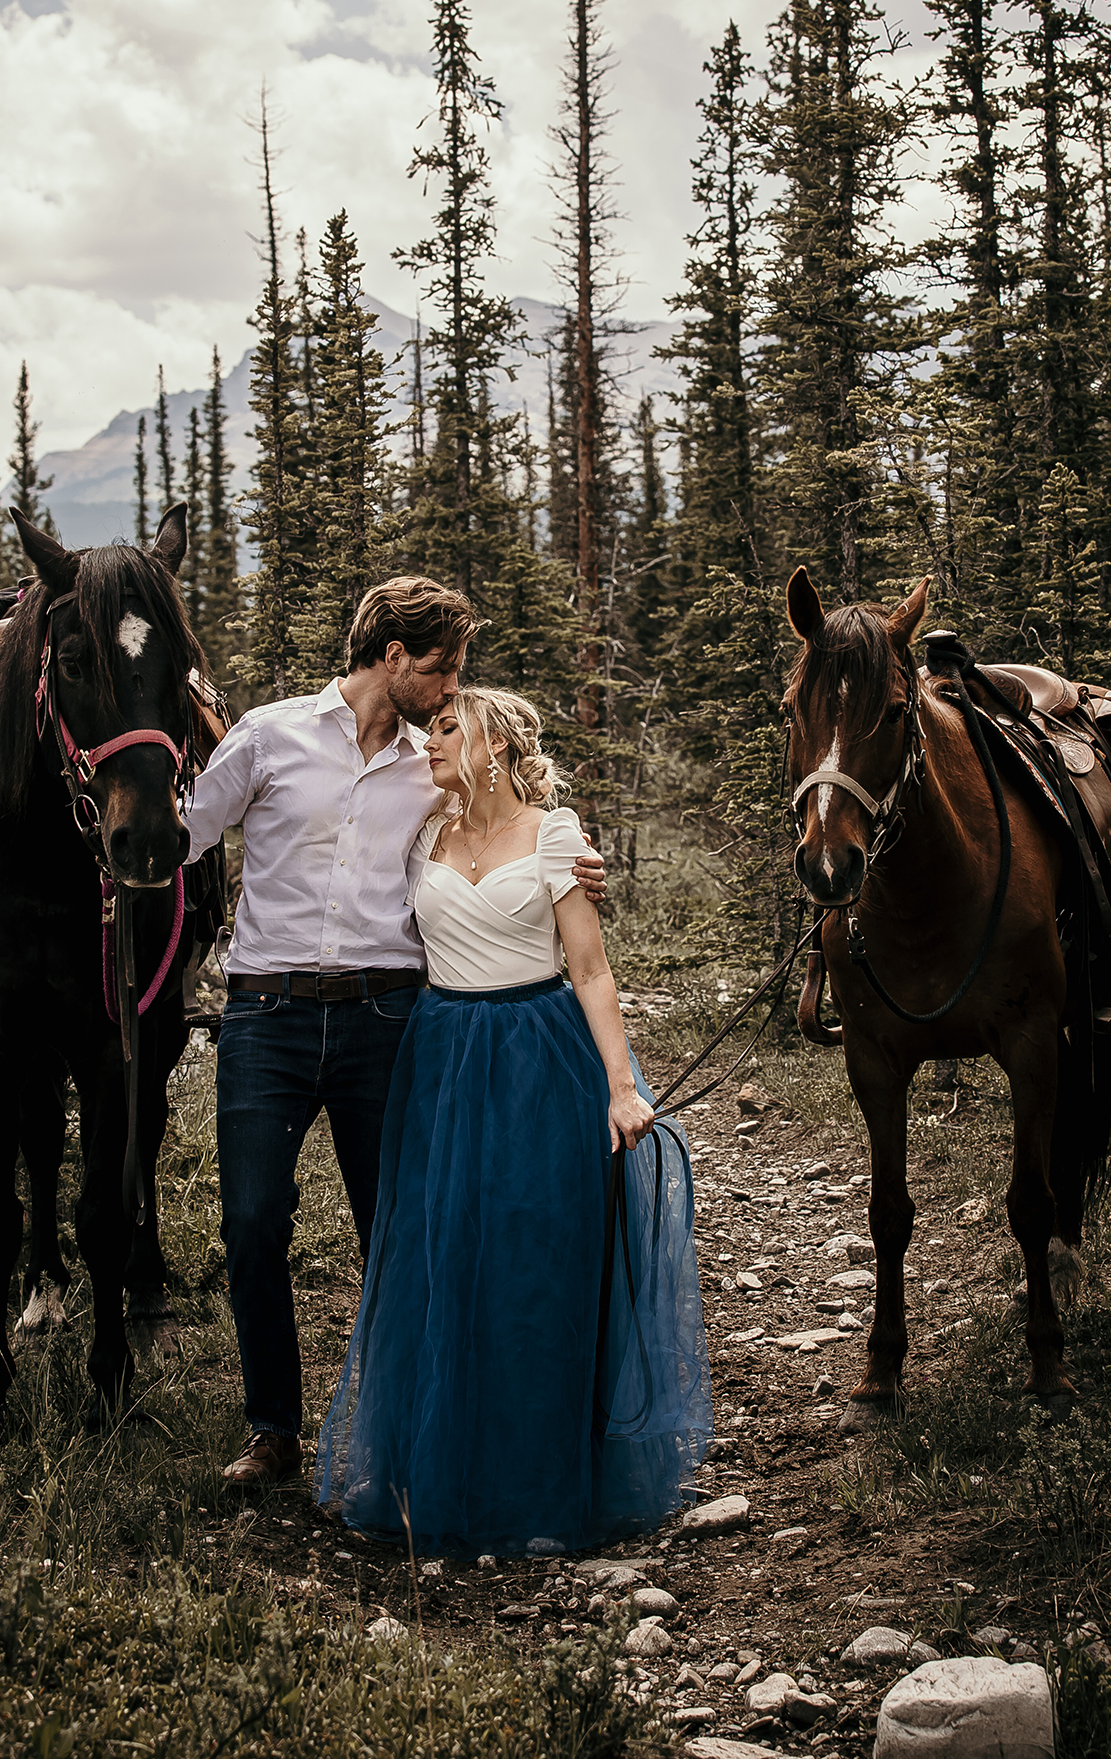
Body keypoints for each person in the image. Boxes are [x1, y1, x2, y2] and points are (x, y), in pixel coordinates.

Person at [184, 578, 604, 1492]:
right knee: (253, 1224)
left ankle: (407, 1426)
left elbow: (503, 832)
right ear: (391, 657)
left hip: (389, 1019)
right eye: (442, 667)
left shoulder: (436, 760)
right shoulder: (267, 735)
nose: (454, 686)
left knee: (401, 1231)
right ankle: (273, 1433)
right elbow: (180, 836)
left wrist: (575, 862)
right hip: (267, 1016)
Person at [314, 687, 711, 1554]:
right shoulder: (426, 832)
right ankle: (438, 1471)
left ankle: (536, 1485)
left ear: (494, 741)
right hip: (444, 1058)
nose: (431, 743)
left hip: (538, 1053)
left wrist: (620, 1086)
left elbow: (593, 969)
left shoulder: (557, 836)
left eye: (449, 728)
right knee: (445, 1256)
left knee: (536, 1262)